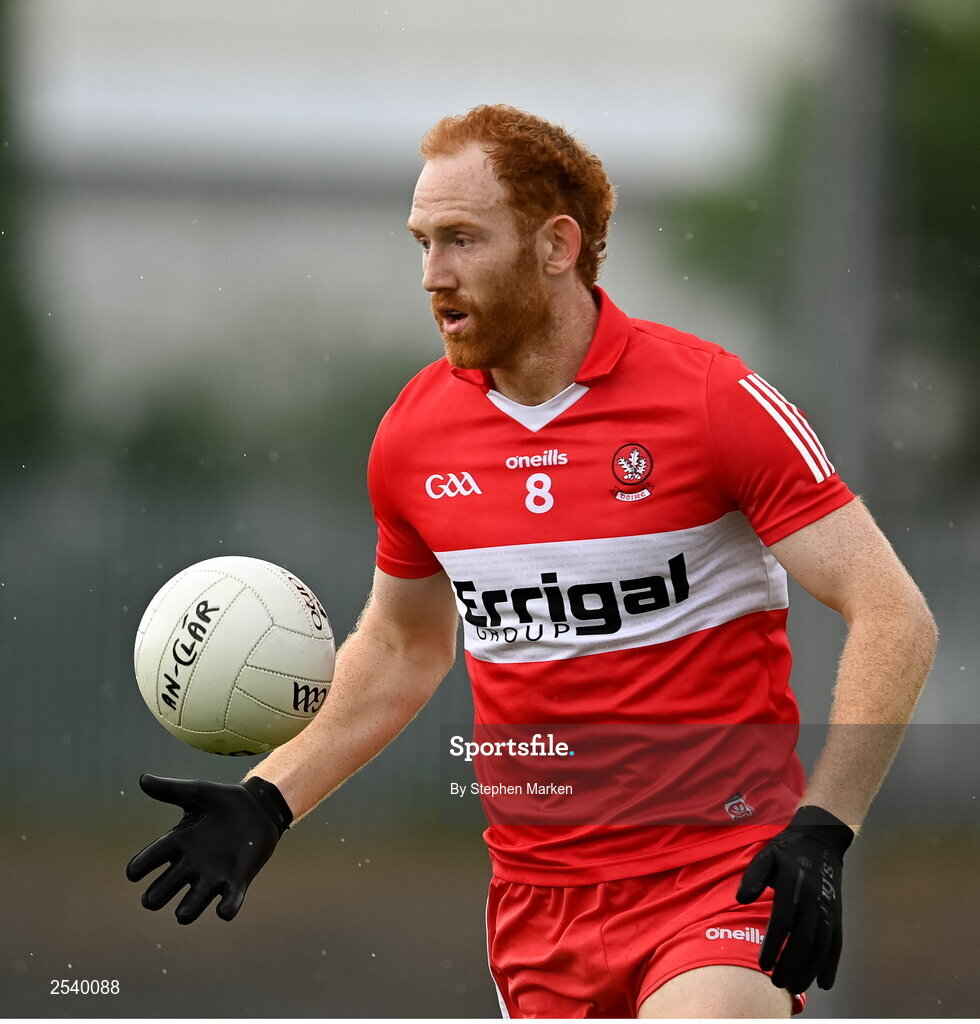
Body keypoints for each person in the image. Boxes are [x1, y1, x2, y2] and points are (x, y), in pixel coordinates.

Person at [127, 105, 937, 1018]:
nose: (433, 276)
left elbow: (893, 613)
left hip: (721, 877)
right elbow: (401, 650)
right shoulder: (413, 437)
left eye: (463, 240)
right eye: (422, 243)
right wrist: (268, 798)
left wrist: (824, 828)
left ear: (557, 246)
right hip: (538, 911)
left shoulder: (715, 401)